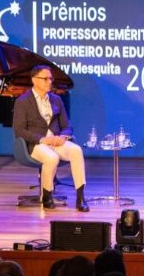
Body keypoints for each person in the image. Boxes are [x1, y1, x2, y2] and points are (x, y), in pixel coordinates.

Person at [13, 65, 89, 211]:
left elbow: (67, 125)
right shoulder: (22, 102)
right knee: (51, 157)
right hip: (36, 144)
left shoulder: (56, 100)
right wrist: (43, 139)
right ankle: (47, 195)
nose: (49, 82)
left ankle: (80, 198)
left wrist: (63, 136)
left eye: (50, 78)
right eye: (45, 79)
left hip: (56, 142)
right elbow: (20, 131)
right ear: (34, 80)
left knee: (76, 150)